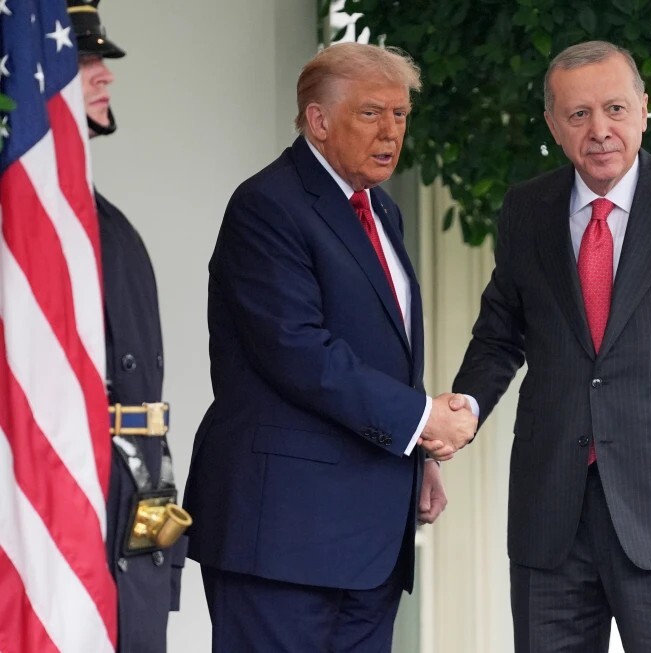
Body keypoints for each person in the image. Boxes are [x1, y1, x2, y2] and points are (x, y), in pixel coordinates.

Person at [451, 40, 651, 652]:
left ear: (643, 109)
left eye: (615, 108)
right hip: (552, 517)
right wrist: (464, 410)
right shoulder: (527, 209)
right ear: (553, 125)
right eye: (579, 114)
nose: (600, 130)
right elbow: (499, 333)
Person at [182, 42, 476, 652]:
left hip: (369, 537)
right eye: (371, 113)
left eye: (400, 114)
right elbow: (297, 350)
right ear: (317, 121)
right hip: (283, 535)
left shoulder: (381, 210)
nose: (391, 131)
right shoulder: (267, 205)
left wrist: (415, 458)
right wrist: (421, 420)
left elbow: (380, 349)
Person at [68, 1, 190, 650]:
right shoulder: (27, 232)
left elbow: (146, 420)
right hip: (69, 498)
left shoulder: (109, 224)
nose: (106, 74)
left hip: (137, 491)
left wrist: (165, 549)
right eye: (83, 62)